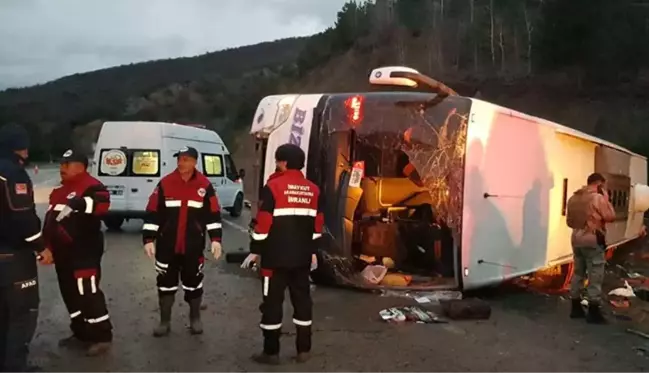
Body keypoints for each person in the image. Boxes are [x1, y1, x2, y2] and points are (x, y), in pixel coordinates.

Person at [241, 143, 323, 365]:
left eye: (278, 161)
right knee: (303, 302)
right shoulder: (313, 190)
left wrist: (255, 251)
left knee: (272, 304)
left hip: (274, 259)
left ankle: (271, 352)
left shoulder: (273, 187)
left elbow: (263, 224)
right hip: (302, 259)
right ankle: (304, 350)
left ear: (283, 163)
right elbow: (317, 225)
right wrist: (313, 252)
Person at [142, 146, 223, 337]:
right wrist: (148, 240)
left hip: (193, 246)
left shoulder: (205, 185)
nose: (181, 162)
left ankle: (195, 319)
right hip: (166, 246)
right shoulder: (165, 183)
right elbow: (152, 212)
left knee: (193, 283)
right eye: (179, 158)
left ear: (195, 162)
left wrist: (216, 240)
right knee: (165, 284)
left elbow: (213, 214)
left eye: (186, 159)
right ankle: (164, 322)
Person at [42, 149, 113, 356]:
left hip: (84, 252)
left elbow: (102, 205)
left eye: (67, 164)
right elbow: (51, 223)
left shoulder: (92, 186)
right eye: (61, 163)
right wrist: (46, 246)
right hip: (63, 254)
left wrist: (79, 203)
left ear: (81, 166)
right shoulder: (59, 191)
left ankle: (101, 336)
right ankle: (81, 332)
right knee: (69, 293)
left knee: (87, 293)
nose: (62, 168)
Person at [0, 123, 53, 373]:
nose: (28, 154)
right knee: (22, 312)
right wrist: (41, 247)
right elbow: (23, 216)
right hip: (13, 257)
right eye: (24, 148)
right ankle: (15, 366)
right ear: (16, 149)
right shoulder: (13, 174)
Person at [567, 172, 616, 324]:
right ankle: (593, 311)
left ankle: (575, 307)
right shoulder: (597, 198)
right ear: (599, 184)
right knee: (595, 273)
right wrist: (606, 200)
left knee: (578, 272)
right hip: (592, 239)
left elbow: (569, 222)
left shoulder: (573, 198)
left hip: (576, 238)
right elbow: (610, 216)